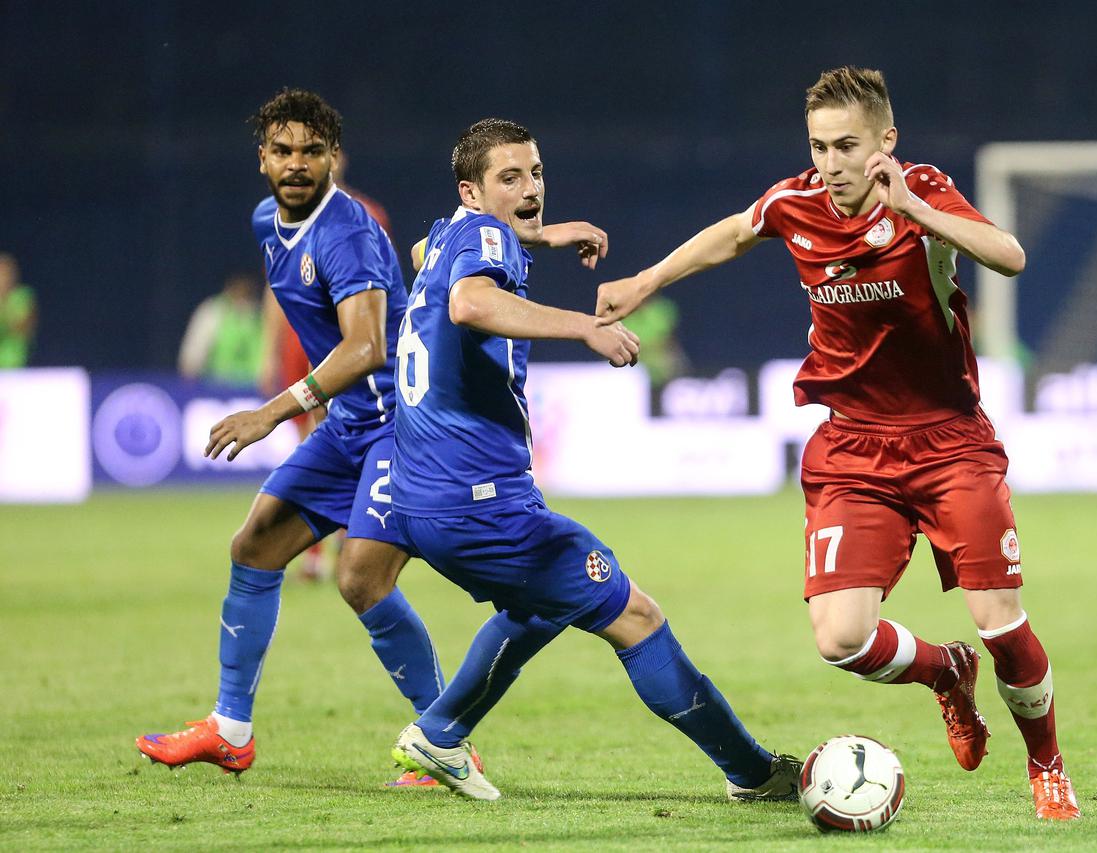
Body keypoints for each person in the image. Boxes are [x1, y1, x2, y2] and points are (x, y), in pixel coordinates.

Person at [595, 67, 1079, 821]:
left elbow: (1009, 254)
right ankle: (946, 672)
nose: (831, 163)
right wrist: (648, 279)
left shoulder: (923, 190)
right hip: (853, 448)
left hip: (950, 442)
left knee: (1002, 622)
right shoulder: (797, 203)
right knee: (842, 638)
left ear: (885, 141)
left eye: (847, 145)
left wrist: (914, 207)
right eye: (819, 146)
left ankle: (1047, 765)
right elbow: (734, 232)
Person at [387, 118, 799, 802]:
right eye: (509, 178)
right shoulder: (481, 241)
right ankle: (754, 774)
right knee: (634, 614)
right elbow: (468, 300)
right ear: (472, 190)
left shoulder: (449, 235)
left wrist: (541, 234)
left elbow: (425, 250)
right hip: (478, 502)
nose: (530, 188)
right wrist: (585, 326)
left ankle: (441, 729)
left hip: (428, 498)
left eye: (536, 173)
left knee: (544, 604)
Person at [137, 89, 451, 787]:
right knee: (254, 545)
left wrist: (272, 410)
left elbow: (367, 345)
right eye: (283, 150)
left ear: (332, 158)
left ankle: (444, 738)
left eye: (312, 151)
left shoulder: (350, 230)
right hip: (348, 428)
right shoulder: (266, 221)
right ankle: (230, 730)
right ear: (262, 160)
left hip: (400, 428)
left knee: (360, 578)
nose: (297, 163)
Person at [178, 272, 264, 386]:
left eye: (247, 290)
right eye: (238, 288)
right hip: (215, 389)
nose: (242, 292)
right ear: (229, 287)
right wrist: (189, 382)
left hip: (257, 390)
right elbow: (192, 356)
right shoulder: (212, 311)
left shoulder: (264, 313)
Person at [0, 253, 37, 369]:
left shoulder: (23, 296)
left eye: (6, 273)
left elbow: (26, 328)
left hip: (16, 366)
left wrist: (5, 309)